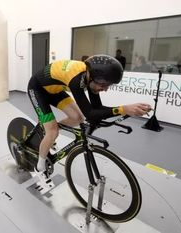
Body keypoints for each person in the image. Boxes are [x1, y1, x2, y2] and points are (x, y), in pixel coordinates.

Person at [27, 55, 151, 187]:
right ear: (92, 77)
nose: (105, 89)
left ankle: (49, 134)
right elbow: (91, 114)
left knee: (78, 118)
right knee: (52, 132)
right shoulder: (76, 79)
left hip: (55, 90)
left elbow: (97, 108)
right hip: (38, 89)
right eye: (103, 85)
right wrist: (123, 109)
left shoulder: (90, 77)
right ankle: (40, 168)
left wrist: (125, 109)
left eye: (108, 85)